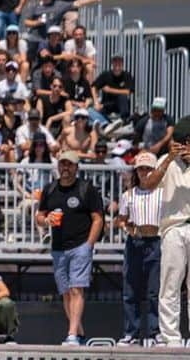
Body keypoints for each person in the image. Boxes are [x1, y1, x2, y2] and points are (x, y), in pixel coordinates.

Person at [37, 149, 104, 345]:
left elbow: (98, 218)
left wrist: (89, 245)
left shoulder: (86, 188)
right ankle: (79, 333)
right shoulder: (50, 189)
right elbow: (40, 216)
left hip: (80, 246)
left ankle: (72, 334)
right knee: (66, 292)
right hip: (58, 247)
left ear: (76, 167)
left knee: (76, 290)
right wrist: (46, 219)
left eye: (70, 164)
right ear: (58, 166)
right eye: (62, 164)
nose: (65, 168)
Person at [137, 117, 190, 347]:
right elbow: (147, 184)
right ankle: (171, 340)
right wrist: (169, 157)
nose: (183, 147)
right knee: (170, 285)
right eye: (180, 142)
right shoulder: (167, 162)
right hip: (173, 228)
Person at [115, 151, 163, 345]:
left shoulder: (162, 193)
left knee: (154, 290)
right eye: (141, 169)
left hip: (156, 241)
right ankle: (131, 332)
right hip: (135, 243)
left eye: (148, 169)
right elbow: (121, 220)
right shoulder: (129, 195)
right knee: (131, 290)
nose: (144, 172)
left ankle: (155, 332)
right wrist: (128, 228)